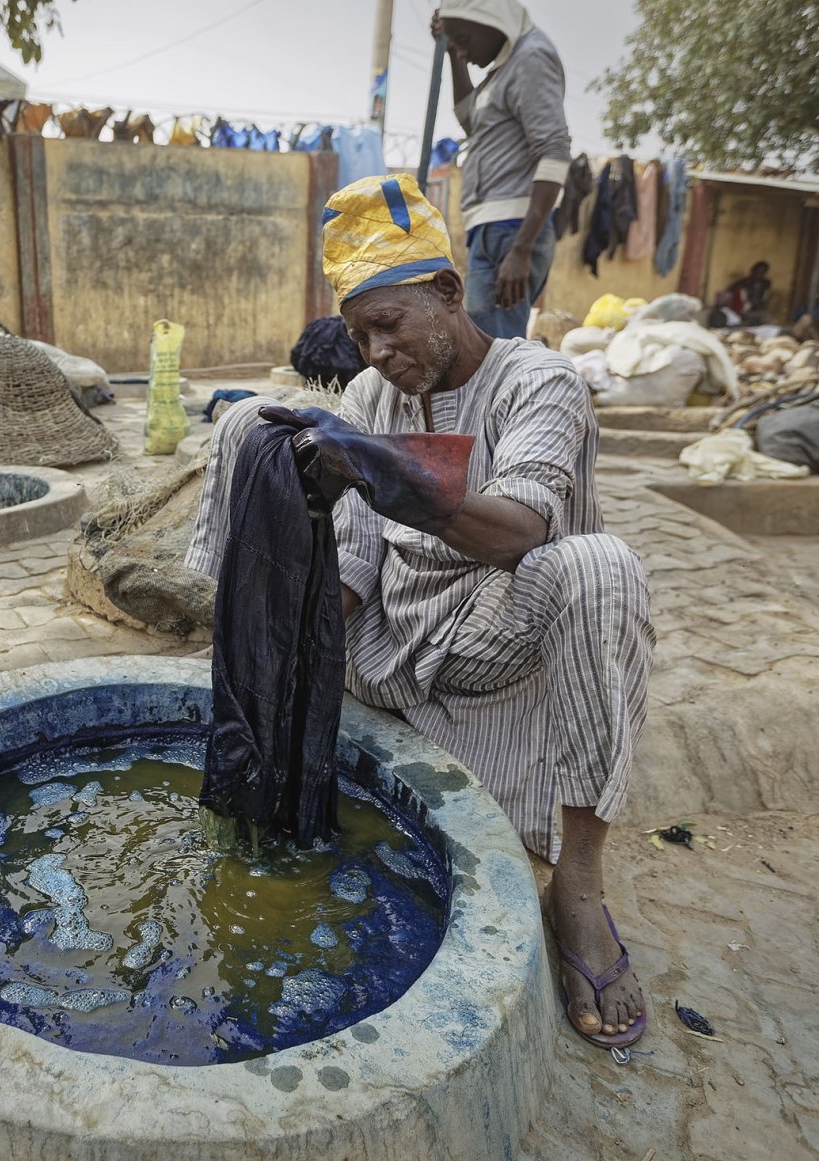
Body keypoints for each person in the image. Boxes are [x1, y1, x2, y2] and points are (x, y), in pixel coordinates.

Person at [187, 173, 653, 1047]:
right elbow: (356, 571)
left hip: (494, 631)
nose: (373, 352)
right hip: (388, 645)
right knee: (249, 429)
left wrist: (388, 472)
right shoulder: (370, 396)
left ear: (446, 291)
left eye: (389, 325)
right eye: (359, 333)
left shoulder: (539, 382)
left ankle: (579, 889)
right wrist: (286, 531)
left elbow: (517, 531)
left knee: (605, 569)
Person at [429, 1, 571, 340]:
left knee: (494, 348)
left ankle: (508, 396)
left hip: (512, 229)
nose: (463, 52)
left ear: (492, 20)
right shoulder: (503, 68)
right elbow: (469, 119)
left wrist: (521, 250)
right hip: (494, 228)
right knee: (486, 339)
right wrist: (450, 51)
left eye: (463, 39)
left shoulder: (531, 58)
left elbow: (554, 151)